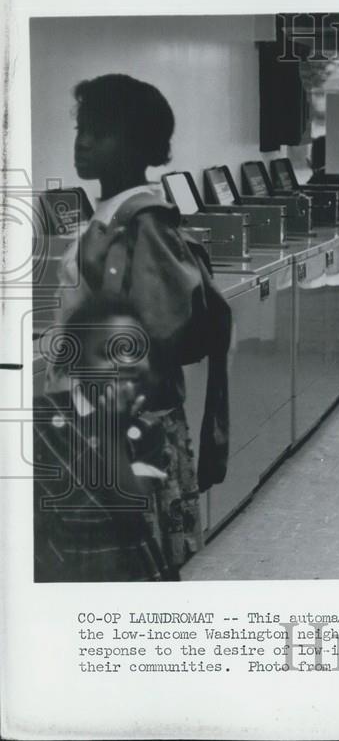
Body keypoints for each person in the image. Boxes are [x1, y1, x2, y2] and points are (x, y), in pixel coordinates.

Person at [46, 74, 228, 575]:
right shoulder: (112, 214)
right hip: (99, 419)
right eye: (82, 128)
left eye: (100, 132)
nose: (83, 142)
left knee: (135, 564)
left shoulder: (142, 221)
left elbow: (157, 331)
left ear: (139, 143)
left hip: (126, 427)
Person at [35, 294, 174, 581]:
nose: (125, 362)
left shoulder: (147, 429)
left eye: (134, 349)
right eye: (105, 352)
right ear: (76, 365)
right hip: (56, 568)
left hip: (122, 567)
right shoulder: (42, 418)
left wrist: (111, 431)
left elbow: (131, 508)